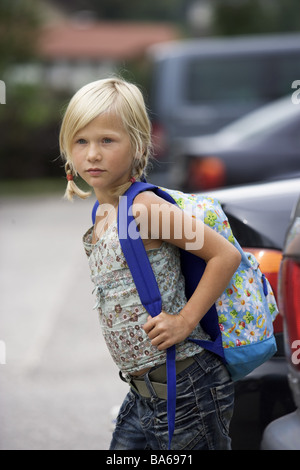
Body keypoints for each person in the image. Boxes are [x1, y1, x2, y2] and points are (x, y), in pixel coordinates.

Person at [59, 77, 241, 450]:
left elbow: (225, 255)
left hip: (187, 388)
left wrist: (185, 320)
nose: (92, 154)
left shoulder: (145, 210)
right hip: (144, 393)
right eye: (82, 141)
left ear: (138, 144)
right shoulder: (103, 211)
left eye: (107, 140)